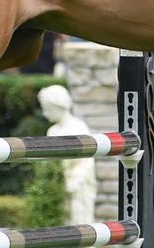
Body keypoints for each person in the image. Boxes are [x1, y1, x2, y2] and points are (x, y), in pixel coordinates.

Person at [38, 85, 96, 224]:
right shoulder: (52, 131)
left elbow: (87, 161)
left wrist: (74, 182)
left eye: (48, 109)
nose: (45, 114)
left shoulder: (78, 127)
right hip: (58, 188)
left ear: (59, 107)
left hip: (77, 188)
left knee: (79, 223)